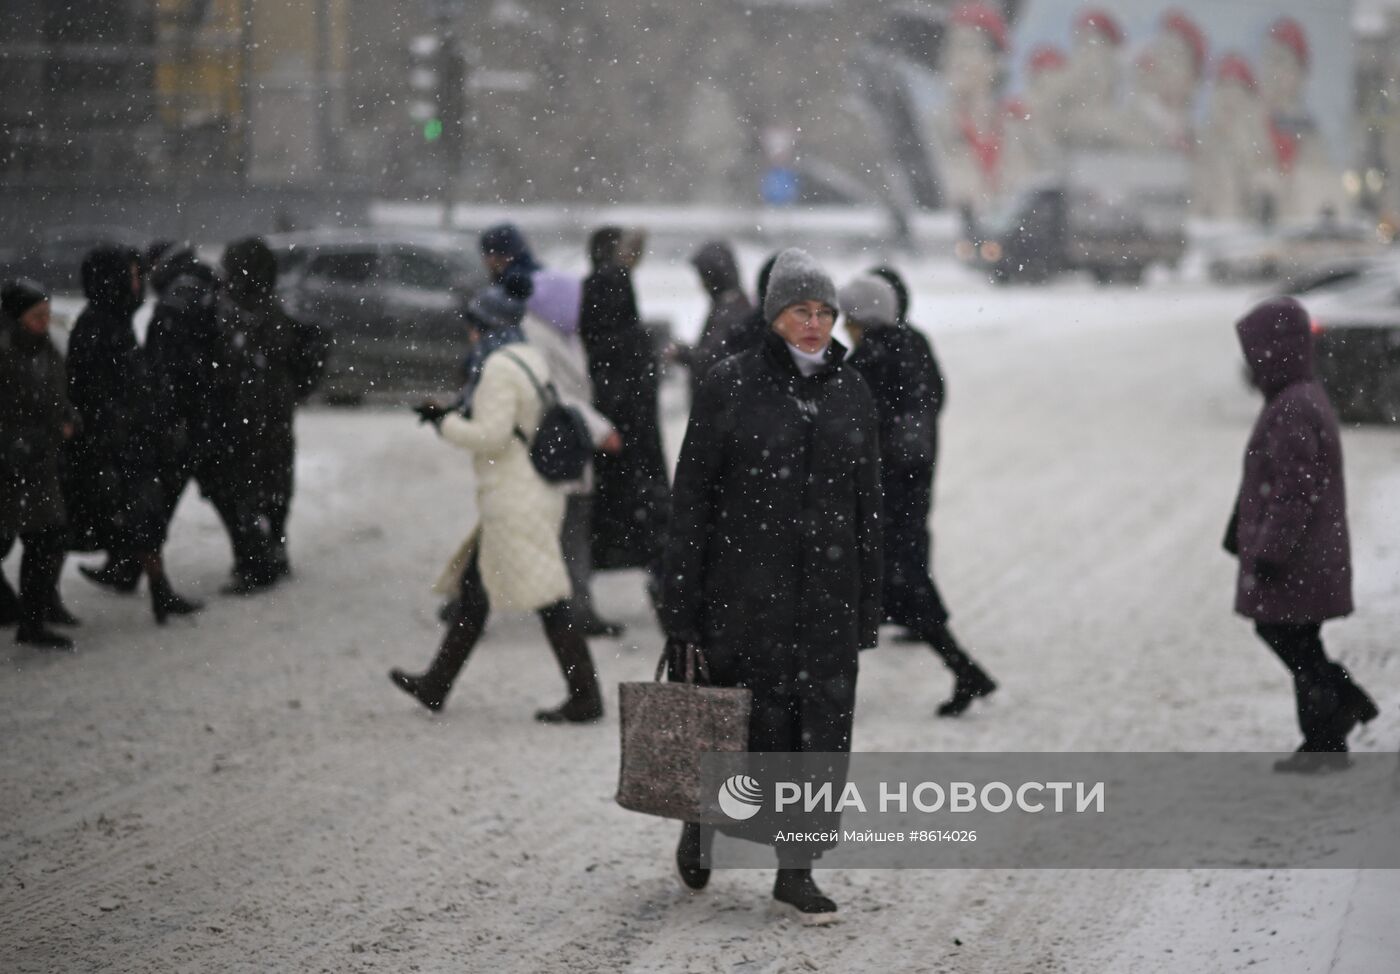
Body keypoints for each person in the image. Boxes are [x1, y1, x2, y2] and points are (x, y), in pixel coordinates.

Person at [661, 248, 883, 921]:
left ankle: (798, 867)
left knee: (817, 736)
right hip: (745, 596)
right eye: (799, 311)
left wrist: (869, 601)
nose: (814, 324)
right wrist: (682, 608)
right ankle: (701, 826)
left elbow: (869, 505)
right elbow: (691, 498)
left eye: (824, 312)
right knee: (740, 733)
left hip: (826, 599)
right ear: (774, 316)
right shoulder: (731, 384)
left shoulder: (852, 389)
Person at [389, 283, 604, 723]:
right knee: (474, 593)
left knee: (548, 597)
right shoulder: (527, 356)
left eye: (472, 326)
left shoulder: (497, 369)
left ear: (483, 326)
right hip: (533, 491)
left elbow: (491, 436)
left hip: (515, 496)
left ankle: (585, 695)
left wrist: (443, 422)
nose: (469, 334)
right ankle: (436, 684)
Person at [1225, 298, 1377, 773]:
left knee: (1287, 634)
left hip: (1298, 555)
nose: (1250, 363)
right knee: (1297, 637)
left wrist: (1270, 550)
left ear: (1275, 351)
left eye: (1255, 352)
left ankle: (1337, 715)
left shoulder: (1293, 407)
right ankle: (1326, 735)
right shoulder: (1296, 397)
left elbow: (1295, 490)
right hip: (1308, 551)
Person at [841, 274, 997, 717]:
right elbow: (932, 401)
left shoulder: (871, 358)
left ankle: (964, 669)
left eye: (849, 319)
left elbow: (855, 429)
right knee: (890, 584)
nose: (845, 329)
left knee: (883, 585)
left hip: (883, 496)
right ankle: (964, 669)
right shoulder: (913, 345)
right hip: (910, 488)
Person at [478, 223, 625, 637]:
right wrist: (600, 429)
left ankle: (571, 608)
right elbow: (558, 393)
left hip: (558, 444)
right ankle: (476, 603)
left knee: (544, 526)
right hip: (554, 443)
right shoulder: (544, 337)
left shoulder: (556, 331)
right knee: (544, 526)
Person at [64, 245, 203, 624]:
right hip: (112, 445)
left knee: (144, 516)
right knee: (109, 517)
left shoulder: (114, 323)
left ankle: (156, 588)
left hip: (131, 442)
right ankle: (40, 602)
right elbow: (91, 391)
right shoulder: (96, 326)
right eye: (132, 276)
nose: (138, 283)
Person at [212, 237, 325, 591]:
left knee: (245, 486)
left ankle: (255, 562)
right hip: (275, 412)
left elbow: (232, 364)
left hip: (247, 414)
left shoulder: (238, 312)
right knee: (274, 483)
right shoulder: (276, 308)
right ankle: (274, 548)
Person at [578, 226, 670, 587]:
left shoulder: (596, 291)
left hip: (613, 428)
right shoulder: (614, 292)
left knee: (602, 514)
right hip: (625, 431)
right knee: (647, 514)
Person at [1, 280, 80, 647]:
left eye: (48, 314)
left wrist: (69, 419)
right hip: (11, 466)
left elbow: (58, 394)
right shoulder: (7, 355)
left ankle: (32, 619)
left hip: (40, 465)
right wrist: (22, 442)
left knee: (46, 538)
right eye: (37, 316)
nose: (45, 322)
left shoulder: (48, 349)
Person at [678, 240, 753, 402]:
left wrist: (683, 354)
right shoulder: (734, 305)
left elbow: (713, 359)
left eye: (705, 277)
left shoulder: (730, 310)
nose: (702, 285)